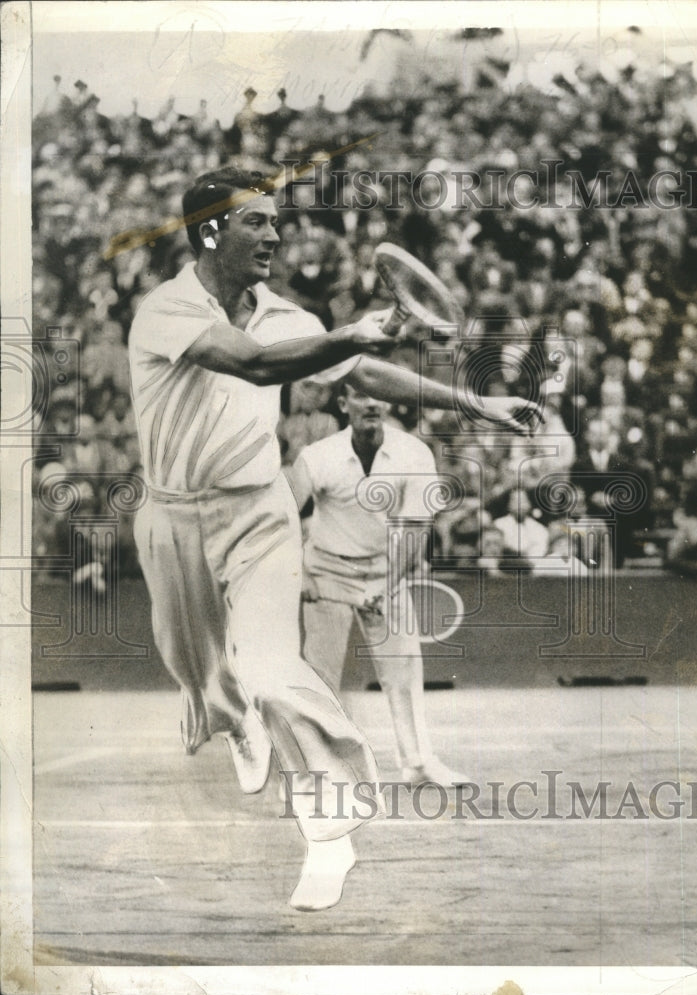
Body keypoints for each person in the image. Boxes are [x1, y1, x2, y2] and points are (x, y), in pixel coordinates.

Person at [128, 166, 539, 911]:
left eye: (276, 221)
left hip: (259, 514)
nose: (277, 233)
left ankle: (330, 835)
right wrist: (351, 330)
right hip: (170, 520)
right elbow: (250, 364)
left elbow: (365, 371)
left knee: (271, 664)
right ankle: (233, 721)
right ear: (211, 230)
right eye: (257, 222)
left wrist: (474, 399)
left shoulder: (287, 314)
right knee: (197, 672)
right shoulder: (163, 311)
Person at [287, 384, 471, 790]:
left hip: (386, 572)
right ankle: (316, 768)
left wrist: (386, 587)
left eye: (377, 396)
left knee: (404, 670)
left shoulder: (414, 454)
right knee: (320, 675)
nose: (371, 403)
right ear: (343, 404)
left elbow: (416, 528)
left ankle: (419, 763)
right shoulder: (317, 457)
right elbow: (282, 518)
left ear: (387, 402)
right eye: (359, 396)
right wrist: (301, 575)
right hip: (327, 572)